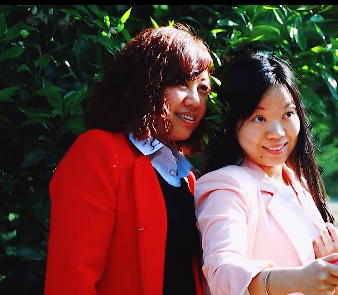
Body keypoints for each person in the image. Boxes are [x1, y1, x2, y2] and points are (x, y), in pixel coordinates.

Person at [45, 23, 213, 295]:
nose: (195, 100)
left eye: (203, 88)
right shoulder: (98, 152)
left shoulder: (188, 177)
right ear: (146, 84)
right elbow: (71, 279)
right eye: (181, 83)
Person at [194, 51, 338, 295]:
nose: (277, 132)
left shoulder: (298, 184)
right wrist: (296, 280)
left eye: (287, 114)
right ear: (232, 122)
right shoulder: (227, 186)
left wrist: (334, 270)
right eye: (259, 118)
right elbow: (221, 271)